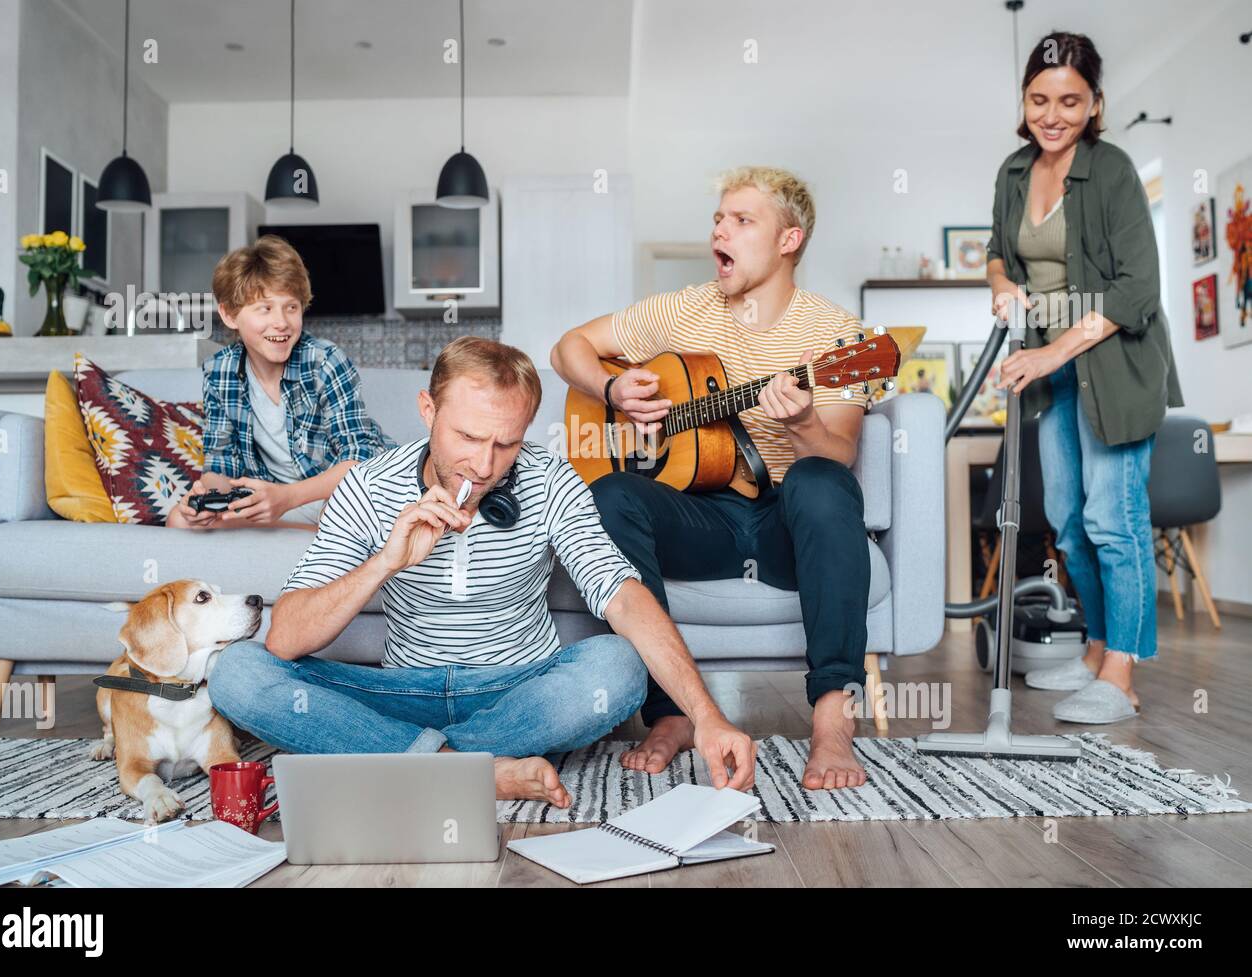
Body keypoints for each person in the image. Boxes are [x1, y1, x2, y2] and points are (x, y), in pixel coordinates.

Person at [208, 337, 756, 807]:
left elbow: (625, 597)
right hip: (402, 688)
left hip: (517, 692)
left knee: (619, 665)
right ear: (428, 411)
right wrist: (386, 562)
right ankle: (470, 769)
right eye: (468, 438)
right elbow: (285, 639)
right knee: (237, 671)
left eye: (507, 443)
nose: (486, 465)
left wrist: (706, 714)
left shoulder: (549, 479)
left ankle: (413, 761)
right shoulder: (369, 486)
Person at [550, 166, 873, 790]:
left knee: (818, 479)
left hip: (786, 523)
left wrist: (804, 422)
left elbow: (841, 454)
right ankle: (669, 714)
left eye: (742, 220)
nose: (720, 231)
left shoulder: (839, 336)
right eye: (718, 219)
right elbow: (569, 348)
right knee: (611, 492)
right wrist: (611, 387)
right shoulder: (685, 309)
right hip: (704, 518)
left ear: (789, 240)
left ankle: (833, 716)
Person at [988, 32, 1183, 724]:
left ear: (1095, 102)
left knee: (1113, 517)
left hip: (1115, 368)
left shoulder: (1115, 171)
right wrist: (1002, 284)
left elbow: (1137, 292)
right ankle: (1097, 652)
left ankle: (1123, 673)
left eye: (1070, 100)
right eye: (1040, 99)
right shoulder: (1014, 172)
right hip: (1055, 375)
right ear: (1024, 100)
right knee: (1068, 522)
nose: (1052, 114)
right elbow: (996, 254)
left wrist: (1047, 351)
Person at [168, 235, 391, 531]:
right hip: (277, 499)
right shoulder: (219, 371)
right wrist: (206, 497)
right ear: (229, 314)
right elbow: (221, 467)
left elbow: (360, 458)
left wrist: (287, 497)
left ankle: (317, 537)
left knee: (342, 514)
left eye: (291, 307)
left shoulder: (324, 361)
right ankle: (310, 538)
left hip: (339, 493)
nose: (282, 322)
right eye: (265, 308)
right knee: (179, 522)